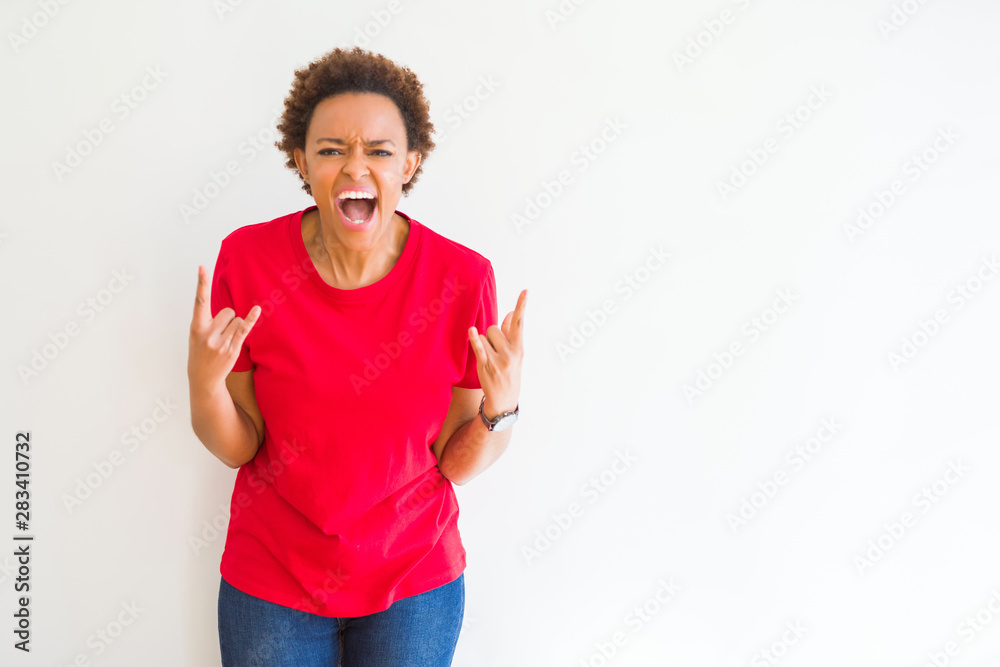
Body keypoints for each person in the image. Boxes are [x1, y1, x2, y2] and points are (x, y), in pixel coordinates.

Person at [186, 46, 526, 666]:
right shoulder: (249, 261)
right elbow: (241, 445)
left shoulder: (463, 279)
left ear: (410, 163)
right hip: (273, 577)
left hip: (414, 580)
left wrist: (499, 410)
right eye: (331, 149)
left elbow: (454, 464)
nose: (354, 168)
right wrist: (204, 385)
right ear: (300, 161)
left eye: (379, 150)